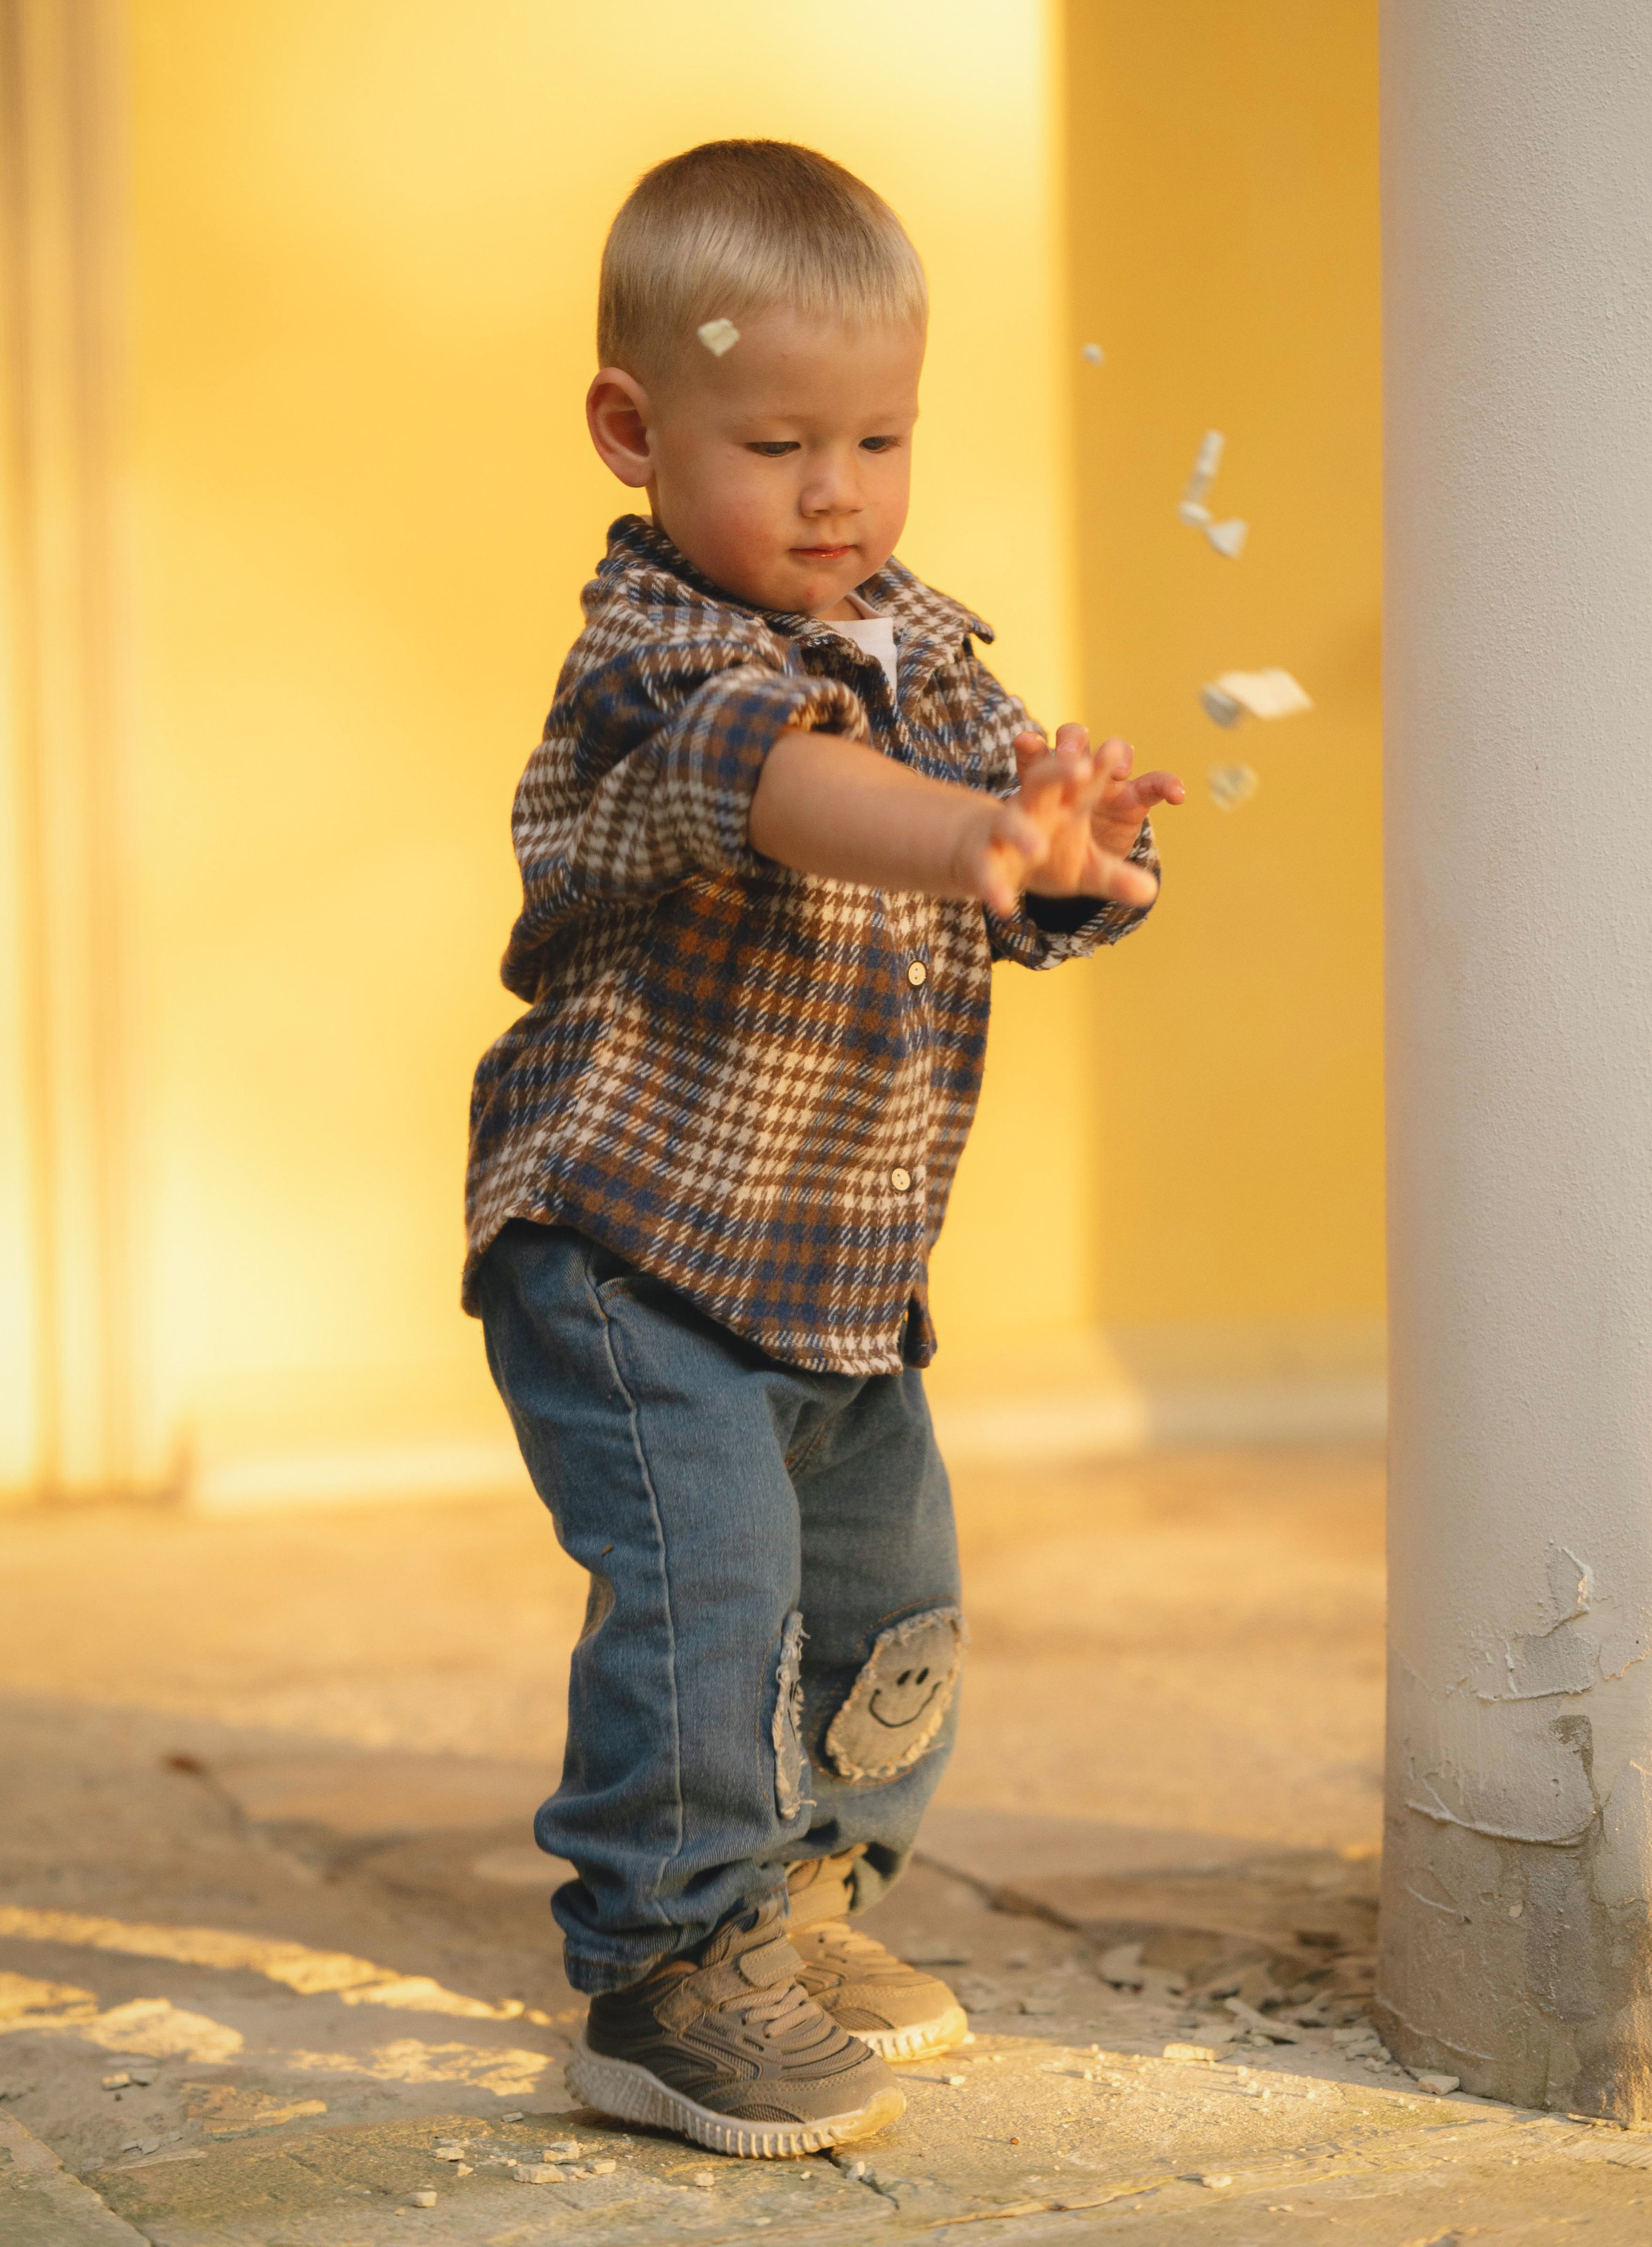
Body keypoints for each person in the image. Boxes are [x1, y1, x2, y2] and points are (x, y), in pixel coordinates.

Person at [463, 139, 1181, 2159]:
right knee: (718, 1591)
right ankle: (660, 1970)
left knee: (887, 1598)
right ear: (635, 429)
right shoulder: (653, 661)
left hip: (839, 1264)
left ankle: (794, 1899)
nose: (836, 490)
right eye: (777, 441)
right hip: (626, 1241)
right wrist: (968, 833)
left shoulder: (927, 649)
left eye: (878, 436)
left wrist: (1071, 845)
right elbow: (785, 794)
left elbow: (1018, 876)